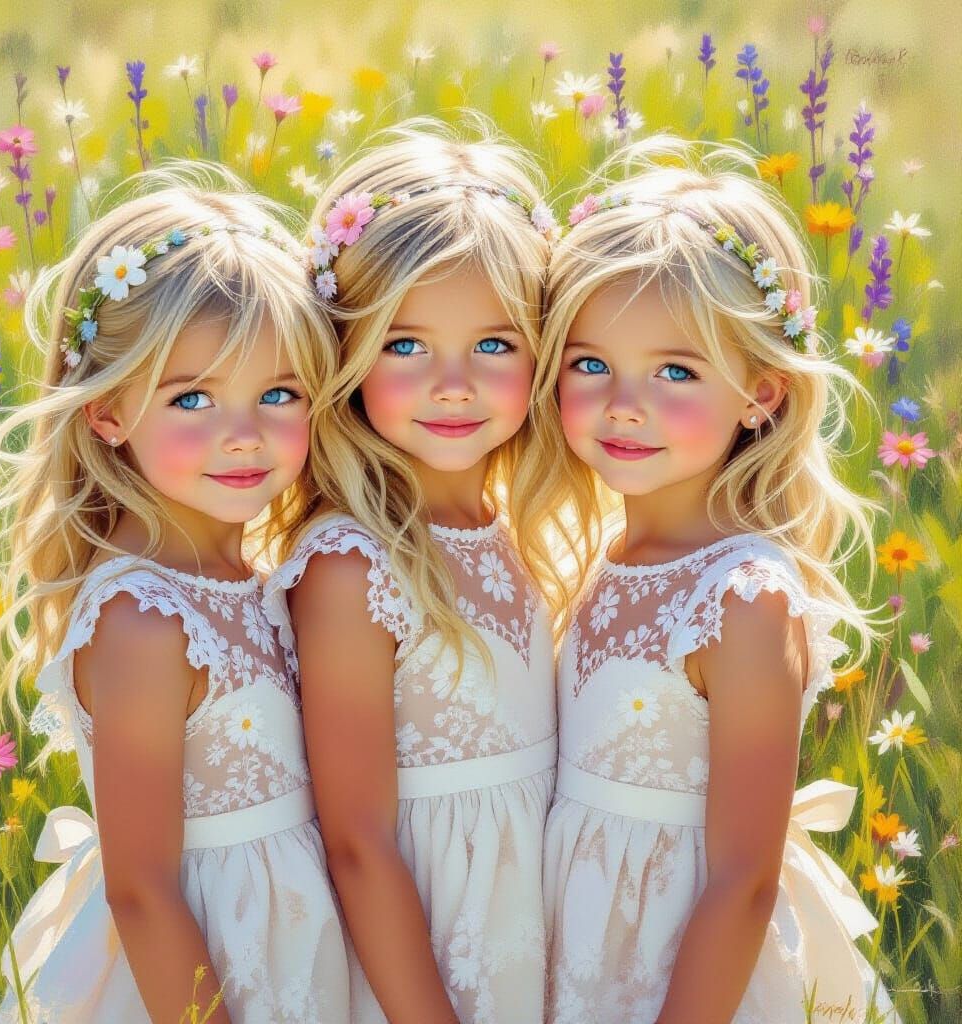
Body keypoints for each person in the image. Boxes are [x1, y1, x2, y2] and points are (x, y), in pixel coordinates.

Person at [0, 163, 350, 1024]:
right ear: (107, 411)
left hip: (293, 947)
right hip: (190, 977)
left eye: (278, 394)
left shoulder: (256, 577)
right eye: (192, 398)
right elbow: (142, 891)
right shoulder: (143, 619)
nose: (243, 436)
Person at [538, 135, 901, 1024]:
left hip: (691, 969)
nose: (626, 403)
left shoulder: (742, 596)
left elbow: (743, 877)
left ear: (761, 394)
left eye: (676, 372)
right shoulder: (592, 557)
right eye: (592, 364)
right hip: (575, 930)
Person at [263, 116, 563, 1024]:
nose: (453, 382)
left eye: (494, 344)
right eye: (404, 345)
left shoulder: (522, 531)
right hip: (423, 960)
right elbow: (358, 840)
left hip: (532, 932)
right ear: (346, 354)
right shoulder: (354, 564)